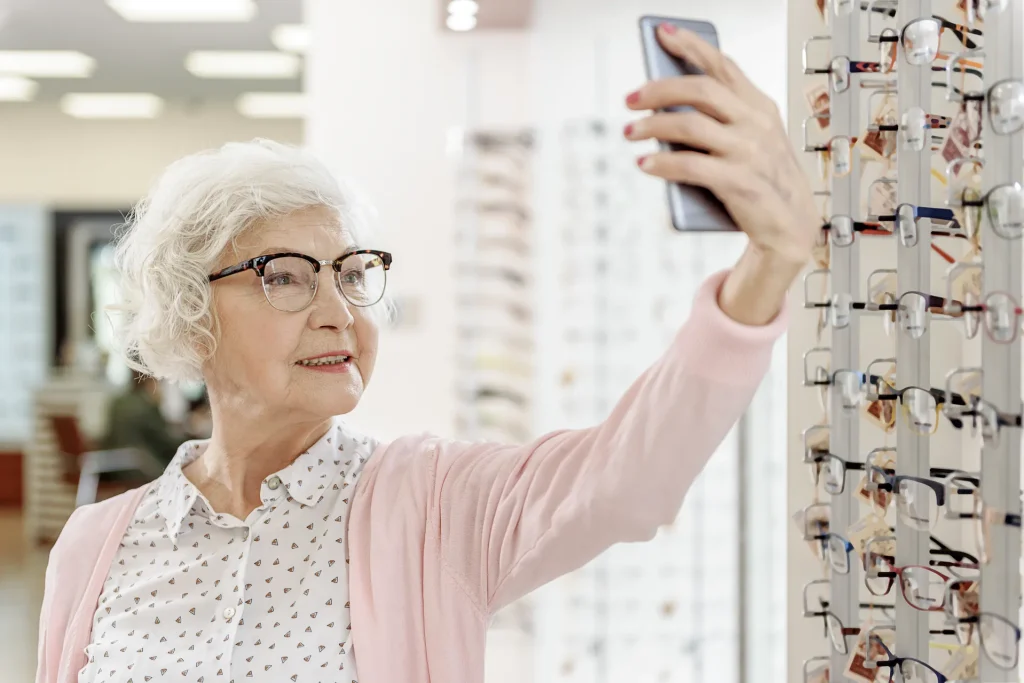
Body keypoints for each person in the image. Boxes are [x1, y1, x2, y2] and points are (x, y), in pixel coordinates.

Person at [36, 26, 819, 683]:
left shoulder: (434, 505)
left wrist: (769, 263)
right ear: (191, 314)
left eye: (349, 274)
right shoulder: (98, 544)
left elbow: (625, 479)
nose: (339, 312)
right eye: (285, 278)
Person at [100, 368, 182, 466]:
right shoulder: (147, 407)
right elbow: (166, 443)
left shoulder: (118, 402)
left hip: (118, 466)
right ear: (151, 381)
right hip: (145, 468)